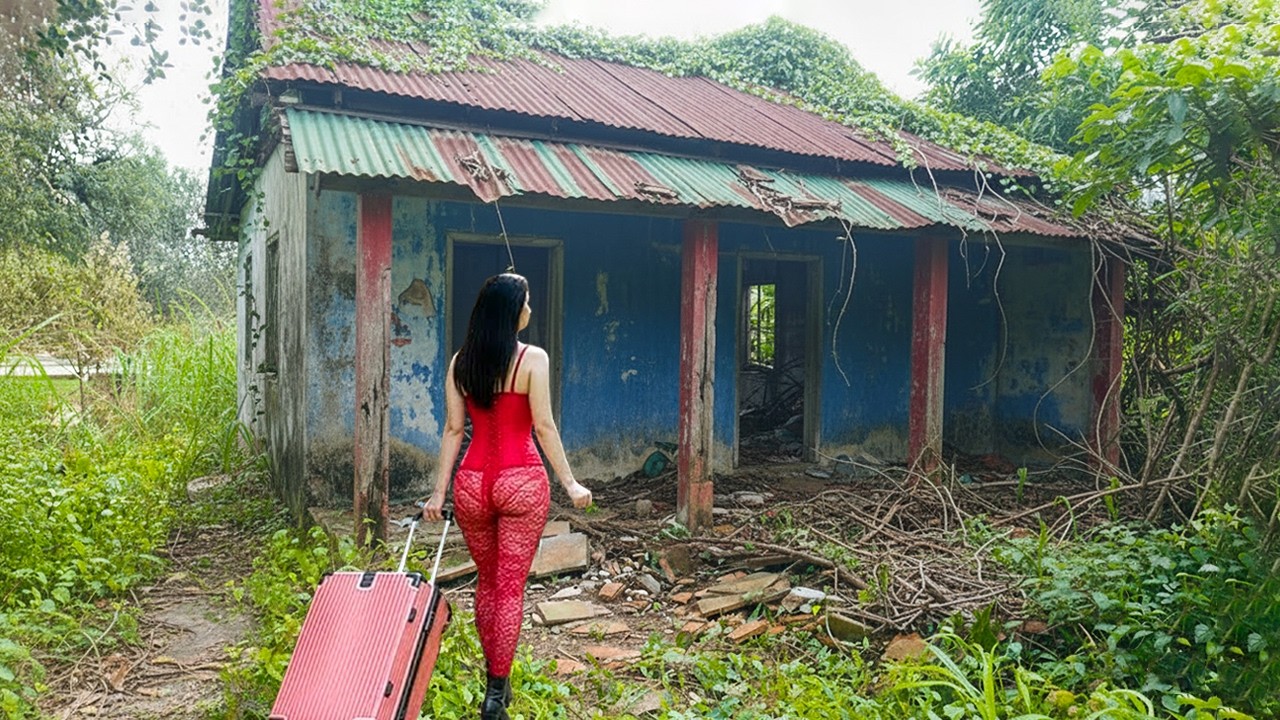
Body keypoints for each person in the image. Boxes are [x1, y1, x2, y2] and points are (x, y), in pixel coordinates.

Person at [422, 273, 592, 720]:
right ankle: (496, 694)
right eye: (527, 302)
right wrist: (571, 484)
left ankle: (496, 677)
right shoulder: (532, 359)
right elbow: (544, 427)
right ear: (512, 312)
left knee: (488, 583)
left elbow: (453, 431)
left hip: (473, 483)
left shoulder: (461, 363)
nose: (531, 310)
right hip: (521, 482)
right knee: (510, 588)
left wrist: (438, 493)